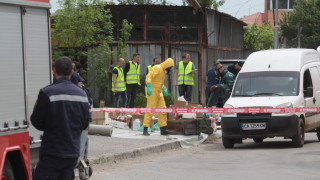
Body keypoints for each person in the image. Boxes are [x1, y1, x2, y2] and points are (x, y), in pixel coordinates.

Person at [31, 56, 90, 180]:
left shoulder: (47, 93)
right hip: (72, 153)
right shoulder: (82, 95)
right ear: (71, 72)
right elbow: (85, 124)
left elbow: (36, 122)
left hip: (52, 153)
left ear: (54, 71)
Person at [143, 58, 174, 136]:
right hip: (152, 91)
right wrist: (149, 86)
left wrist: (163, 88)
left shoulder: (163, 71)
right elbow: (149, 76)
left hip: (159, 92)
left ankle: (163, 129)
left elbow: (159, 81)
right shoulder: (157, 68)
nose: (170, 69)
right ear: (167, 65)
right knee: (150, 110)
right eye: (170, 67)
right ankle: (145, 129)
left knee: (163, 109)